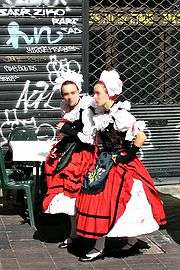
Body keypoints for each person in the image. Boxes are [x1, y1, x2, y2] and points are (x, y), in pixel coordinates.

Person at [75, 70, 167, 262]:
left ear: (110, 93)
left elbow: (141, 136)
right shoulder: (97, 114)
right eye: (94, 93)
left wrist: (128, 156)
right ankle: (102, 244)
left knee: (120, 201)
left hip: (123, 163)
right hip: (105, 160)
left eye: (98, 93)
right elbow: (89, 137)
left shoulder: (122, 115)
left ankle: (117, 243)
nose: (95, 96)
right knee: (98, 198)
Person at [42, 70, 97, 248]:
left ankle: (87, 235)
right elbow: (68, 135)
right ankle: (74, 233)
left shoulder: (86, 108)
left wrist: (66, 130)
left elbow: (88, 138)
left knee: (82, 197)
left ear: (79, 91)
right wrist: (58, 146)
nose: (69, 97)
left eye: (72, 92)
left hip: (83, 157)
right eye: (65, 94)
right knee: (69, 198)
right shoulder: (67, 108)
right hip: (71, 155)